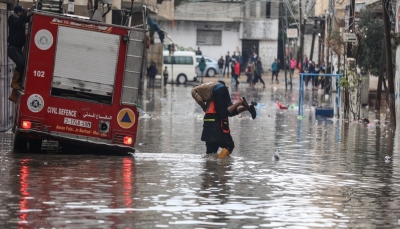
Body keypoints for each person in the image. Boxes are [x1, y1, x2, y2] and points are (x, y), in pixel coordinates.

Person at [191, 81, 256, 158]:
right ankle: (220, 163)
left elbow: (200, 101)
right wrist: (241, 106)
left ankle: (214, 165)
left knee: (210, 154)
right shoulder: (217, 95)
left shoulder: (209, 96)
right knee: (229, 146)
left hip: (207, 128)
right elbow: (228, 113)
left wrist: (204, 108)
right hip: (217, 127)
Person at [8, 5, 31, 103]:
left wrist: (30, 13)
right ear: (18, 12)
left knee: (24, 64)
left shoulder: (19, 19)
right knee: (21, 63)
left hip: (17, 48)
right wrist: (25, 13)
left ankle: (15, 89)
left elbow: (24, 20)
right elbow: (18, 23)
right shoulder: (12, 19)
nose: (21, 13)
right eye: (21, 12)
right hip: (12, 48)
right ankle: (14, 82)